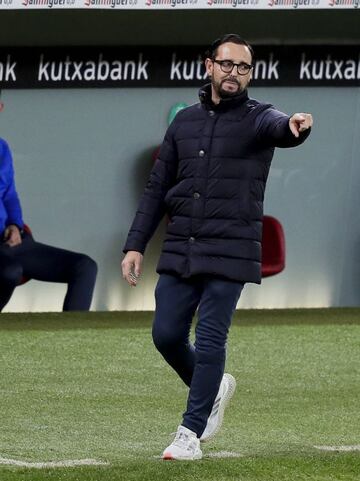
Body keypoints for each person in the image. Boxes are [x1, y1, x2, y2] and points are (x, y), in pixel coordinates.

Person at [121, 34, 313, 461]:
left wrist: (294, 127)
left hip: (232, 247)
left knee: (210, 339)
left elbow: (281, 127)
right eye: (227, 64)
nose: (235, 73)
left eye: (244, 67)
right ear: (208, 65)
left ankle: (189, 434)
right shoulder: (184, 122)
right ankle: (214, 386)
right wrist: (135, 245)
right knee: (166, 335)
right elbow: (157, 188)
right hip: (182, 245)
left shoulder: (260, 117)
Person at [0, 100, 97, 312]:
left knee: (85, 267)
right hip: (4, 259)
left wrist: (15, 225)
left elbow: (9, 195)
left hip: (12, 243)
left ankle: (72, 340)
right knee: (9, 271)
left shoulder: (2, 148)